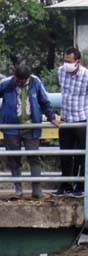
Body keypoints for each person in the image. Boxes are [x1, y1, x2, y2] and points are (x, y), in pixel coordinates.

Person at [0, 65, 58, 199]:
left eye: (23, 80)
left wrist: (52, 118)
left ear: (28, 78)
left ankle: (37, 191)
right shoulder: (7, 83)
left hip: (31, 127)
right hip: (10, 128)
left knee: (34, 158)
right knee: (14, 159)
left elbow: (44, 101)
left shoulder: (36, 82)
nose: (20, 82)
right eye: (18, 80)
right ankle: (18, 190)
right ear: (15, 77)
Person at [57, 47, 88, 196]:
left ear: (78, 62)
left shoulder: (86, 76)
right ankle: (65, 185)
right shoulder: (61, 72)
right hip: (65, 118)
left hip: (81, 119)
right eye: (64, 61)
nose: (66, 64)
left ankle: (80, 186)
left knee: (81, 155)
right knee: (65, 154)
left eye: (69, 62)